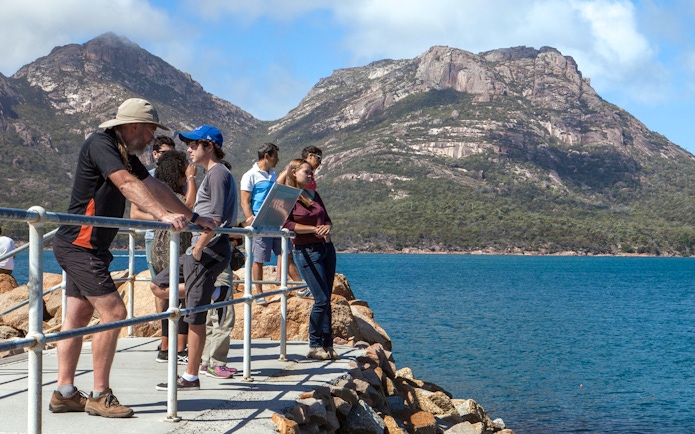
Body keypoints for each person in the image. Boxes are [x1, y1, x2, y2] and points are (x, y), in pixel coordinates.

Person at [49, 98, 216, 418]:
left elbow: (153, 185)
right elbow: (125, 184)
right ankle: (100, 395)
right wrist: (162, 216)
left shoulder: (125, 152)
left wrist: (191, 216)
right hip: (80, 245)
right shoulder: (101, 144)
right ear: (134, 126)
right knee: (115, 311)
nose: (153, 138)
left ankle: (64, 392)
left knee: (76, 319)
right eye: (151, 130)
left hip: (87, 246)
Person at [150, 125, 237, 391]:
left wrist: (198, 246)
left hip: (208, 250)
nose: (187, 149)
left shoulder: (218, 174)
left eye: (192, 144)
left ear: (208, 146)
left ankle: (190, 377)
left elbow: (218, 217)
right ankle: (212, 292)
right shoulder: (213, 174)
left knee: (195, 315)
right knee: (157, 286)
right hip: (198, 250)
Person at [282, 159, 337, 361]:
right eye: (307, 172)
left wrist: (326, 228)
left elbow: (328, 219)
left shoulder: (313, 195)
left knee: (327, 299)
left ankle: (328, 344)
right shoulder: (288, 197)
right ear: (294, 172)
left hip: (326, 248)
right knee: (320, 299)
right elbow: (287, 224)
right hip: (306, 251)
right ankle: (314, 344)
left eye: (311, 172)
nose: (311, 175)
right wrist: (314, 229)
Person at [145, 150, 194, 364]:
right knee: (182, 296)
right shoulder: (172, 195)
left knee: (168, 296)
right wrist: (192, 178)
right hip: (173, 247)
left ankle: (165, 346)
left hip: (159, 247)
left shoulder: (158, 192)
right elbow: (188, 206)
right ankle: (180, 348)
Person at [277, 146, 324, 297]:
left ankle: (280, 279)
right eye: (319, 158)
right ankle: (295, 285)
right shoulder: (297, 168)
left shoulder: (309, 174)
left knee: (286, 251)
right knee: (288, 252)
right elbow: (278, 185)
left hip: (307, 217)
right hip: (295, 215)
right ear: (310, 156)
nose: (320, 162)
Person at [240, 143, 280, 306]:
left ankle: (286, 284)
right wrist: (251, 220)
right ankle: (259, 293)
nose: (277, 159)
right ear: (267, 156)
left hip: (274, 221)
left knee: (283, 251)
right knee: (259, 259)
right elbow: (245, 201)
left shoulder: (273, 174)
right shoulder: (250, 175)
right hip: (259, 223)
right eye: (275, 156)